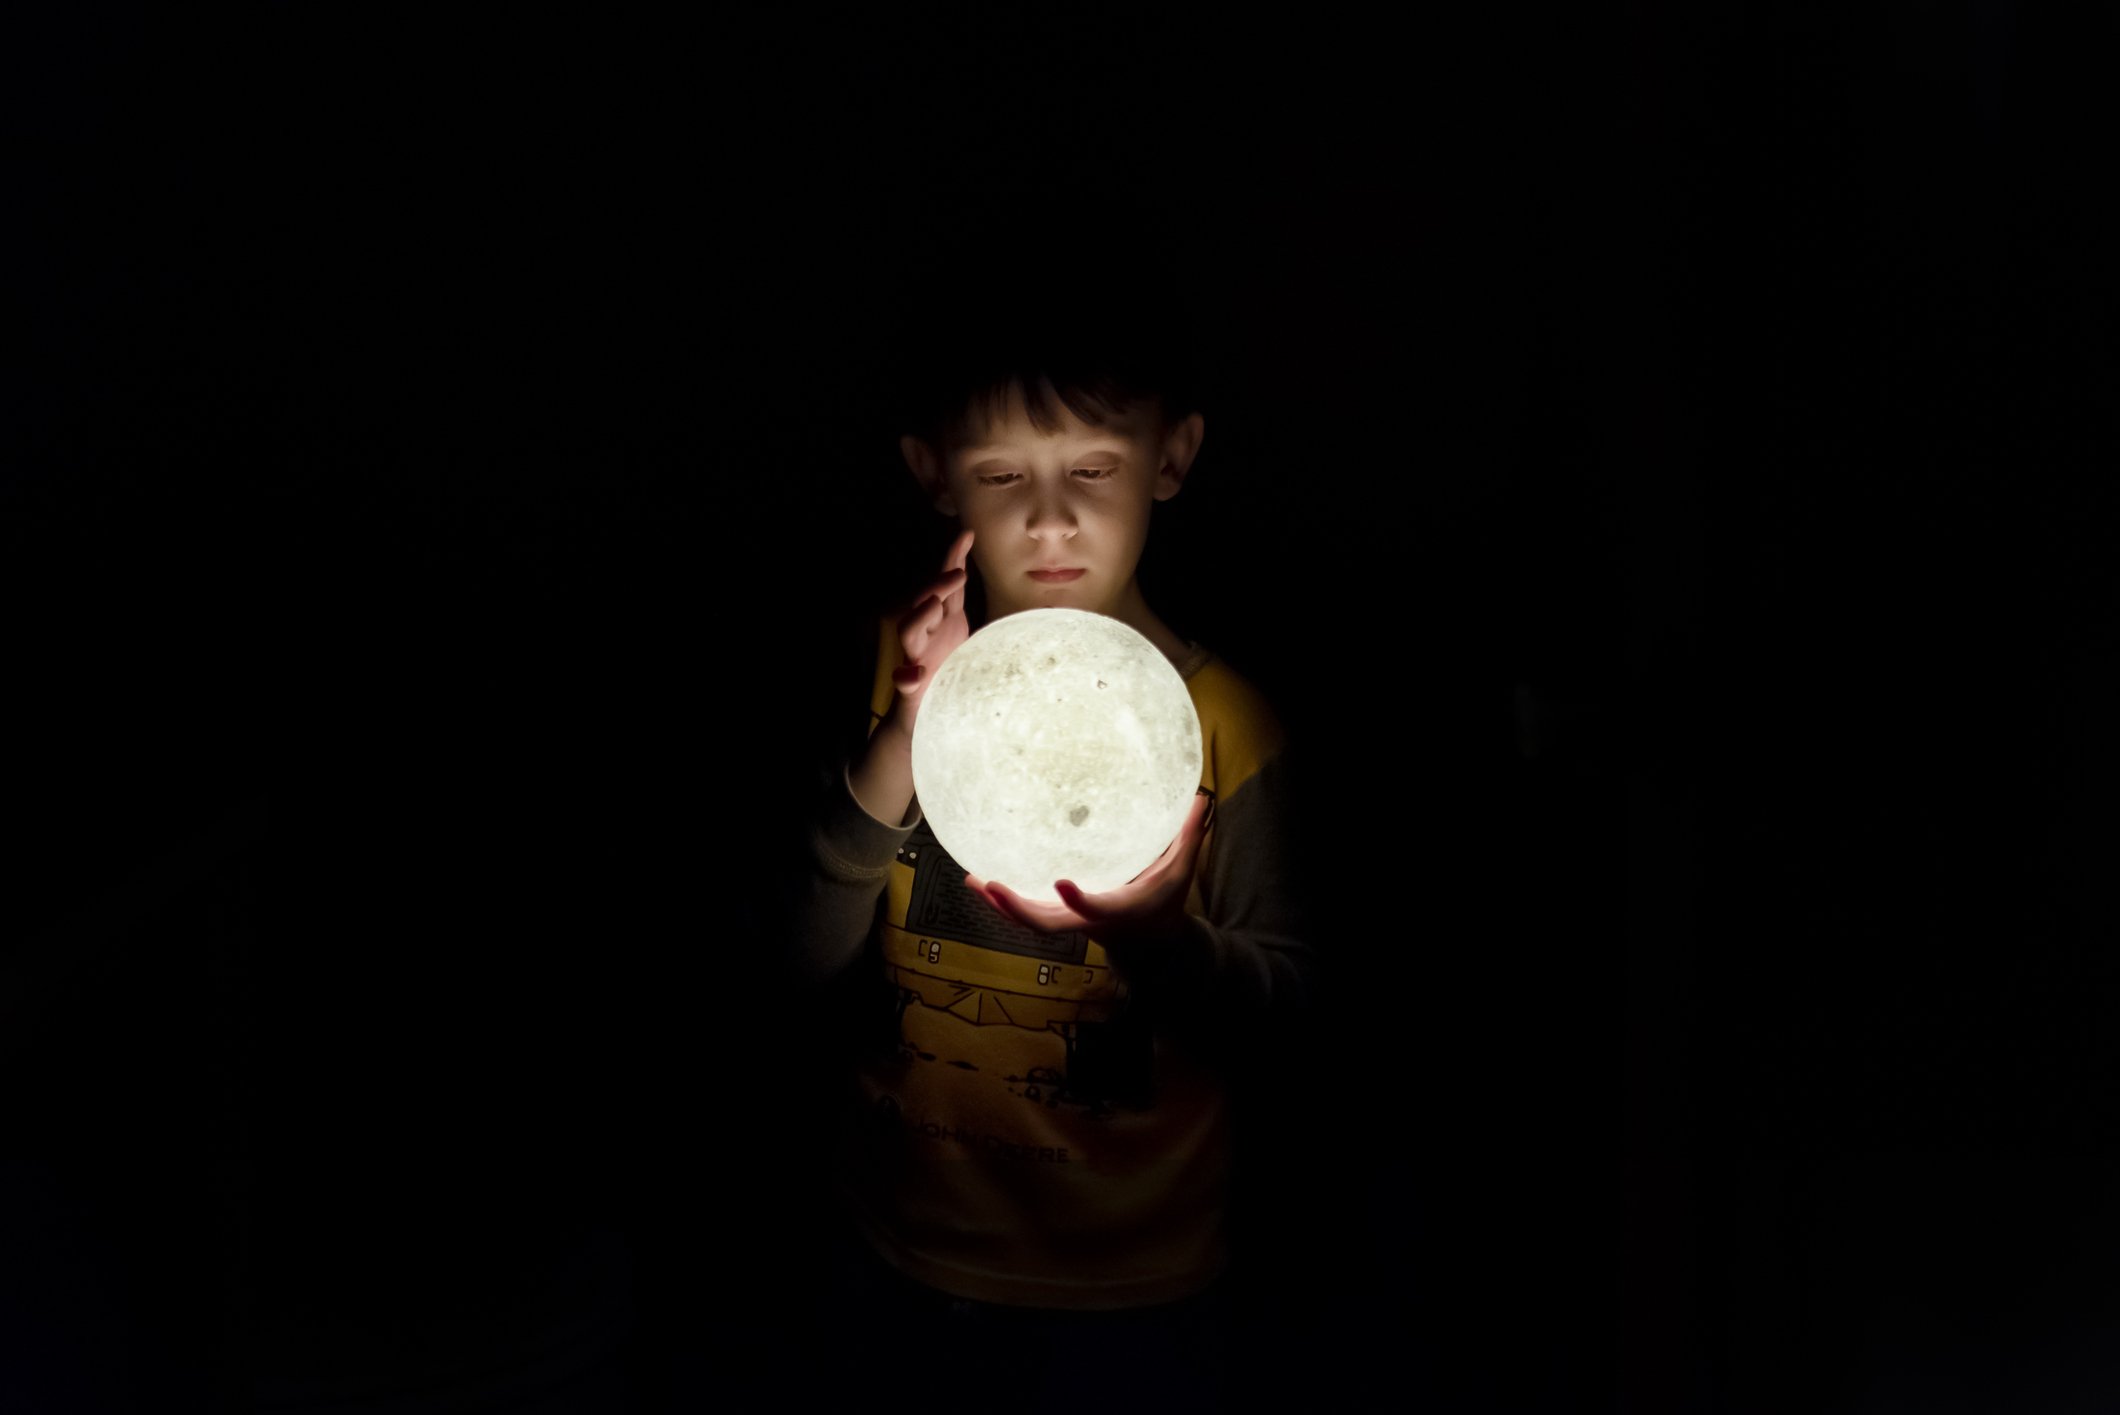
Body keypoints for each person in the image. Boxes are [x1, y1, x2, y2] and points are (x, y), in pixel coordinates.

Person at [784, 231, 1311, 1411]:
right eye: (1003, 475)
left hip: (1133, 1295)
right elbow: (792, 956)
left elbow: (1293, 1019)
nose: (1052, 520)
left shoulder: (1221, 730)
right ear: (934, 474)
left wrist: (1162, 943)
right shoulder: (897, 678)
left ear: (1169, 456)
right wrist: (901, 739)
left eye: (1092, 467)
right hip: (896, 1257)